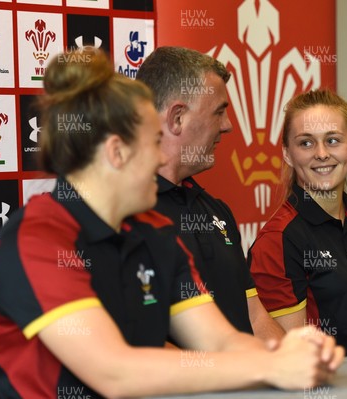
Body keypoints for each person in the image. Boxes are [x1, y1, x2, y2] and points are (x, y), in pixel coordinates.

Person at [0, 49, 344, 398]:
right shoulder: (39, 239)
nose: (162, 158)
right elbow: (114, 373)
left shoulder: (153, 230)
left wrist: (292, 352)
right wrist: (270, 364)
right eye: (153, 142)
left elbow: (219, 341)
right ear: (117, 152)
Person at [135, 46, 286, 342]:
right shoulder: (130, 213)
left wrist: (294, 364)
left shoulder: (217, 211)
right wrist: (227, 376)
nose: (228, 125)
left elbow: (254, 316)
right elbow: (141, 344)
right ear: (177, 118)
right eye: (219, 111)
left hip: (241, 382)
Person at [248, 89, 347, 356]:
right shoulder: (277, 240)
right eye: (306, 143)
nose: (321, 154)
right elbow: (290, 356)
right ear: (287, 154)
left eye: (333, 140)